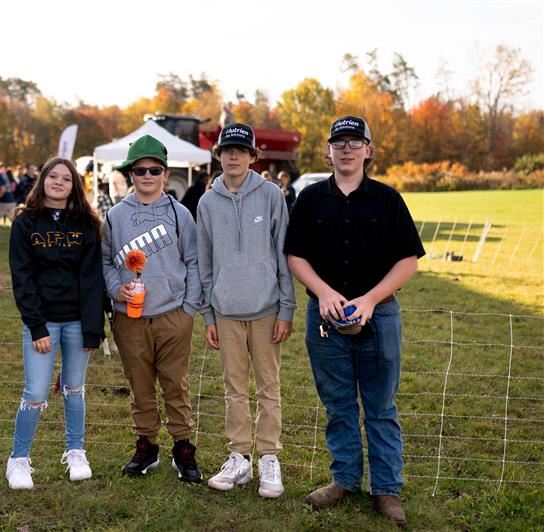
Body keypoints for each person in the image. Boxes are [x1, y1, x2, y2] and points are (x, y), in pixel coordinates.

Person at [285, 116, 425, 525]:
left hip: (379, 317)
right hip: (324, 318)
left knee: (380, 407)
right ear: (327, 150)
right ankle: (344, 479)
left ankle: (386, 490)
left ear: (369, 149)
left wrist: (370, 299)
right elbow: (296, 255)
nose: (346, 148)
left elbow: (408, 260)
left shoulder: (388, 199)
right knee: (339, 405)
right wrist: (324, 292)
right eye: (338, 141)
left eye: (355, 141)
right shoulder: (310, 199)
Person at [196, 123, 296, 498]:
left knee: (269, 386)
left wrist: (286, 307)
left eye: (241, 150)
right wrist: (208, 314)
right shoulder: (207, 202)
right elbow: (204, 262)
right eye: (227, 150)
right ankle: (239, 457)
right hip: (225, 309)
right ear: (218, 155)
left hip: (266, 307)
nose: (233, 156)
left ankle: (269, 457)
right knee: (234, 387)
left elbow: (284, 254)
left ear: (254, 156)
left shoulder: (270, 195)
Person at [101, 135, 205, 484]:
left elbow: (193, 261)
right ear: (130, 173)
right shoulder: (115, 216)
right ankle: (146, 444)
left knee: (175, 384)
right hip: (130, 319)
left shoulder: (180, 214)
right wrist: (118, 290)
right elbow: (104, 262)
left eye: (154, 169)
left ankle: (183, 446)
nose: (147, 175)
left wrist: (188, 308)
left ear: (164, 173)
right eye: (139, 169)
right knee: (140, 385)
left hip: (173, 315)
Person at [5, 157, 105, 490]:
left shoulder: (87, 224)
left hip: (77, 320)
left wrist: (93, 328)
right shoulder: (25, 222)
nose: (59, 182)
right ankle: (18, 460)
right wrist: (36, 326)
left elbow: (92, 279)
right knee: (35, 392)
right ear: (43, 180)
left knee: (74, 389)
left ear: (75, 184)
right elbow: (22, 277)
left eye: (66, 178)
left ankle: (76, 451)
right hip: (44, 321)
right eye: (53, 176)